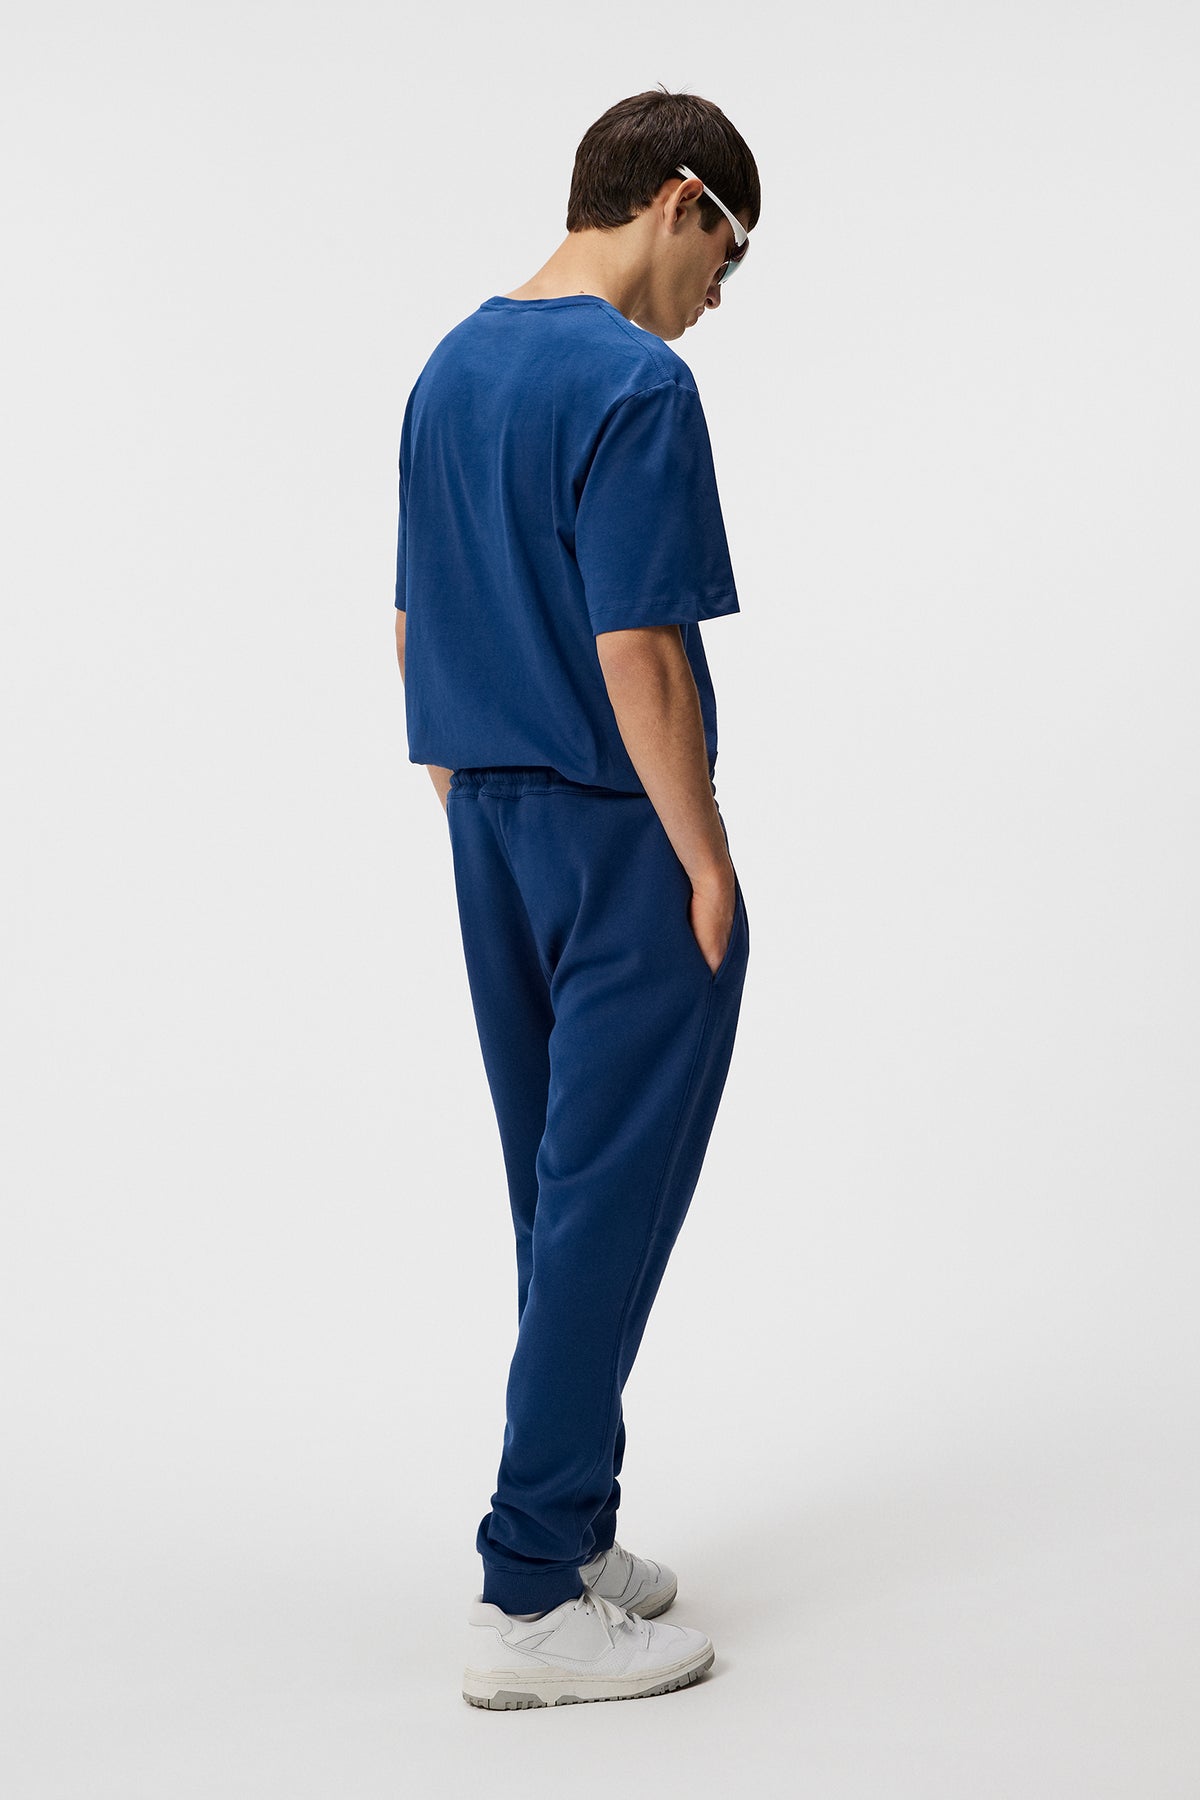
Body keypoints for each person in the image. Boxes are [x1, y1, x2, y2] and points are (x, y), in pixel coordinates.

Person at [392, 86, 759, 1709]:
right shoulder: (634, 381)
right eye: (727, 257)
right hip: (619, 837)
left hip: (490, 824)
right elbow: (640, 650)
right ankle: (530, 1590)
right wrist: (704, 859)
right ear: (678, 199)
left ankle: (579, 1522)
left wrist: (477, 796)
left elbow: (414, 625)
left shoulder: (449, 368)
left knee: (559, 1202)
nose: (718, 299)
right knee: (605, 1204)